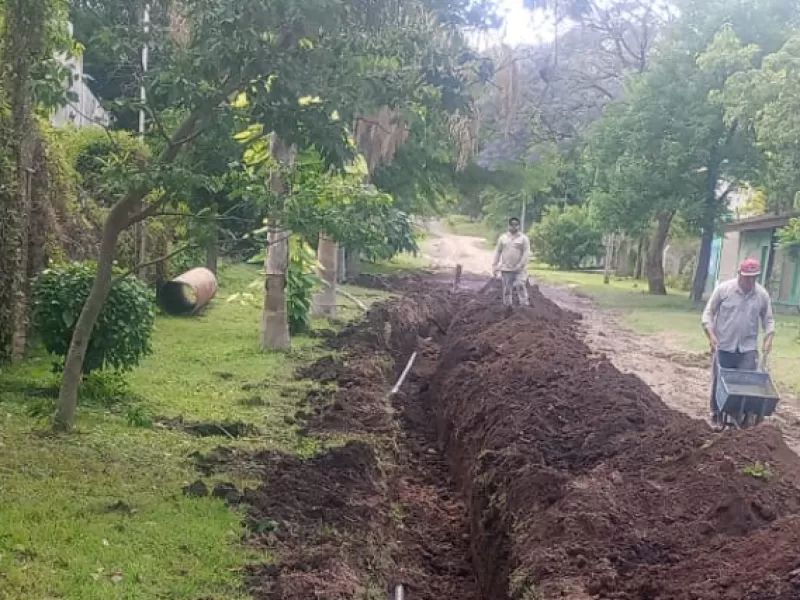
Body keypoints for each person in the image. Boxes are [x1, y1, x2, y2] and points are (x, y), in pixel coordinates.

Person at [701, 258, 775, 423]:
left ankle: (739, 416)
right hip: (724, 345)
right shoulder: (724, 290)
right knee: (720, 382)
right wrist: (711, 334)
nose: (750, 281)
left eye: (754, 277)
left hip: (747, 349)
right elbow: (708, 313)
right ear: (739, 275)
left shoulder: (761, 295)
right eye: (747, 277)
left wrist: (769, 337)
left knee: (745, 385)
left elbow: (768, 320)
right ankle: (716, 413)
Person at [492, 217, 531, 307]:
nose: (514, 227)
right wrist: (495, 265)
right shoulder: (503, 238)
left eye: (516, 225)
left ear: (519, 226)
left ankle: (524, 305)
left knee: (520, 285)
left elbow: (526, 253)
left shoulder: (523, 239)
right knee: (507, 290)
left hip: (519, 269)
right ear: (508, 226)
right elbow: (498, 251)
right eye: (512, 225)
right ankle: (508, 307)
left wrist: (520, 265)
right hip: (506, 269)